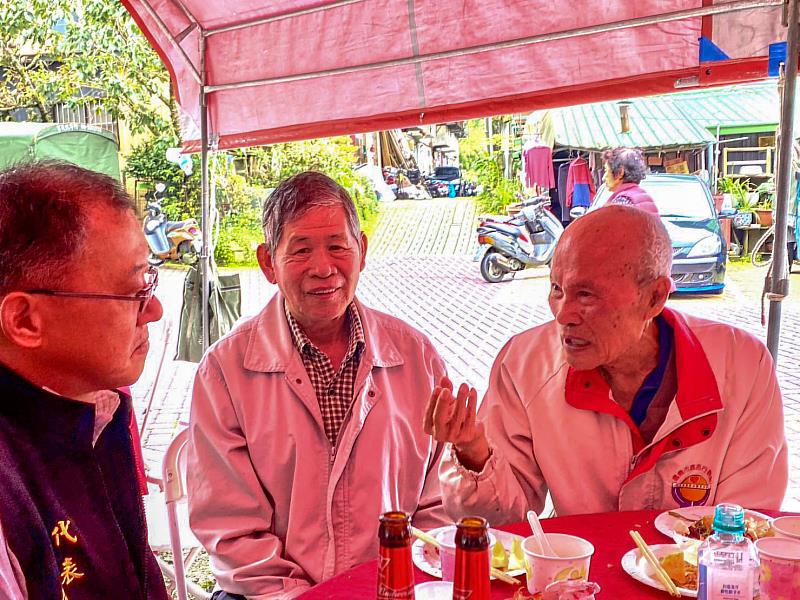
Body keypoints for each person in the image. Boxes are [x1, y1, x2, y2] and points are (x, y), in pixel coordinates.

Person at [426, 205, 788, 522]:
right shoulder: (524, 364)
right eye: (557, 289)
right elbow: (507, 523)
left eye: (586, 295)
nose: (564, 314)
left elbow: (749, 522)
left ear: (655, 297)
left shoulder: (741, 364)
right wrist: (473, 451)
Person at [187, 171, 448, 599]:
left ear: (361, 250)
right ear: (268, 263)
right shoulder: (225, 372)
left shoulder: (418, 358)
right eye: (301, 250)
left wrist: (395, 583)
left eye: (337, 246)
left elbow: (439, 505)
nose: (323, 268)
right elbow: (231, 529)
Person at [0, 161, 168, 599]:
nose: (154, 311)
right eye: (135, 292)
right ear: (25, 320)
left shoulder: (91, 412)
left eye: (149, 283)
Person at [603, 147, 659, 214]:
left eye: (606, 171)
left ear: (620, 172)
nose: (603, 178)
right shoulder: (645, 196)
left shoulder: (622, 201)